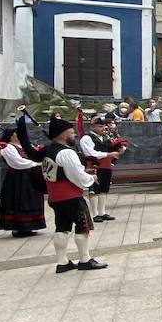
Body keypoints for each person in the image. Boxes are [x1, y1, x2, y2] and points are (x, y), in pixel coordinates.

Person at [22, 115, 107, 274]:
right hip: (71, 197)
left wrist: (82, 172)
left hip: (56, 197)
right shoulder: (66, 153)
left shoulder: (48, 150)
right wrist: (91, 177)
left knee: (62, 228)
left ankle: (62, 262)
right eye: (71, 132)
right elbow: (77, 176)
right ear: (63, 134)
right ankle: (84, 259)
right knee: (83, 226)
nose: (74, 135)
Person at [0, 129, 45, 238]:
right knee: (19, 201)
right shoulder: (8, 147)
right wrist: (36, 163)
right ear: (12, 136)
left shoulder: (25, 145)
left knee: (31, 200)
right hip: (17, 178)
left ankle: (30, 225)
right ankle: (19, 227)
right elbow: (17, 163)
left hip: (30, 176)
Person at [79, 116, 125, 223]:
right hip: (94, 167)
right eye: (100, 126)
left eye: (103, 126)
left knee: (104, 189)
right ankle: (94, 214)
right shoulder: (87, 138)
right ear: (93, 127)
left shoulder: (106, 137)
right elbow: (90, 153)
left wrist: (120, 149)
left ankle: (102, 212)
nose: (102, 129)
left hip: (107, 166)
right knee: (95, 190)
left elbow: (114, 147)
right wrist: (109, 154)